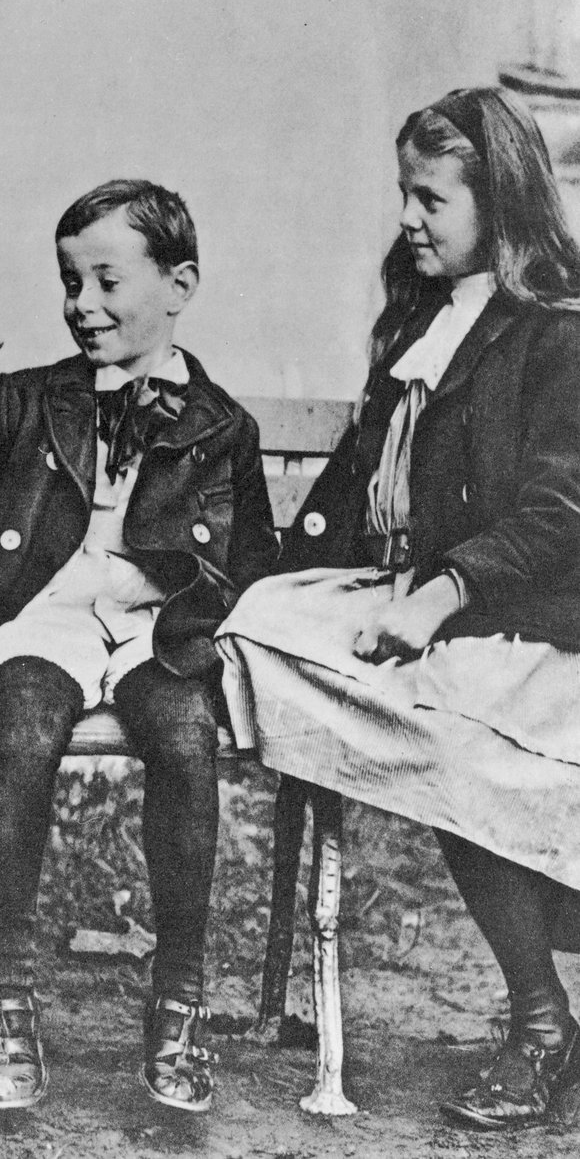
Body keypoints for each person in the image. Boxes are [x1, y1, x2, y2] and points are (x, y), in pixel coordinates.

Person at [216, 86, 580, 1130]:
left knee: (445, 736)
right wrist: (261, 582)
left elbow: (563, 510)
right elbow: (351, 488)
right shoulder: (418, 317)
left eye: (429, 199)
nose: (407, 219)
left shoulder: (556, 335)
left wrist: (440, 593)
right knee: (259, 631)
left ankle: (541, 1023)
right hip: (426, 609)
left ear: (500, 206)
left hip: (529, 617)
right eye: (402, 195)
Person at [0, 179, 277, 1113]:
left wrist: (202, 617)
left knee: (186, 741)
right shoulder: (27, 399)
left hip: (157, 625)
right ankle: (5, 999)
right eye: (70, 282)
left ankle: (181, 1003)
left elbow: (249, 556)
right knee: (25, 726)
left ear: (179, 285)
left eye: (108, 281)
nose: (83, 306)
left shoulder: (220, 424)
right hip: (44, 613)